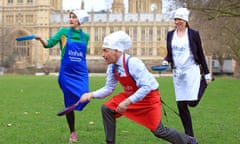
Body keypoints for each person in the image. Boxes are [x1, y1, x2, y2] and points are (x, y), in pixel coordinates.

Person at [79, 31, 198, 144]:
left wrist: (127, 102)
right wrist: (90, 95)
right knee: (106, 109)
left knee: (158, 131)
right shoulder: (112, 67)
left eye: (105, 51)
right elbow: (109, 88)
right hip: (130, 96)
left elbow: (146, 87)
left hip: (148, 97)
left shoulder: (133, 63)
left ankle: (189, 141)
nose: (102, 55)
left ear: (116, 51)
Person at [35, 10, 90, 143]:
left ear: (80, 20)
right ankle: (72, 132)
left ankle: (75, 104)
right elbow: (49, 44)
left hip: (81, 72)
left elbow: (82, 55)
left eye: (74, 17)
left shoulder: (86, 37)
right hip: (67, 73)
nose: (70, 19)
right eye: (70, 17)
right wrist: (42, 39)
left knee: (86, 96)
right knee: (69, 101)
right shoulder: (63, 32)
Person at [162, 8, 212, 137]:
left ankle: (204, 84)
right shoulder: (170, 35)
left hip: (191, 70)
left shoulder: (193, 34)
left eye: (180, 19)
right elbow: (170, 55)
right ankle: (189, 136)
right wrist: (166, 61)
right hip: (178, 73)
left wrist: (206, 74)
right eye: (176, 19)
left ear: (185, 20)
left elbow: (200, 54)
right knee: (181, 105)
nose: (177, 22)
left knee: (192, 102)